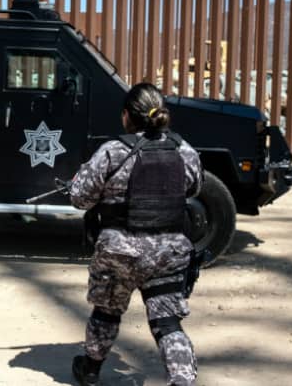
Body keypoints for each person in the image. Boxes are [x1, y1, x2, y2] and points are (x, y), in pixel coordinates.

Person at [68, 82, 203, 386]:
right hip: (169, 253)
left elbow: (80, 199)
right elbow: (195, 189)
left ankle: (90, 370)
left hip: (119, 252)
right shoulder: (186, 151)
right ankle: (182, 380)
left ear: (127, 116)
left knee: (106, 311)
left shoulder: (113, 152)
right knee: (168, 324)